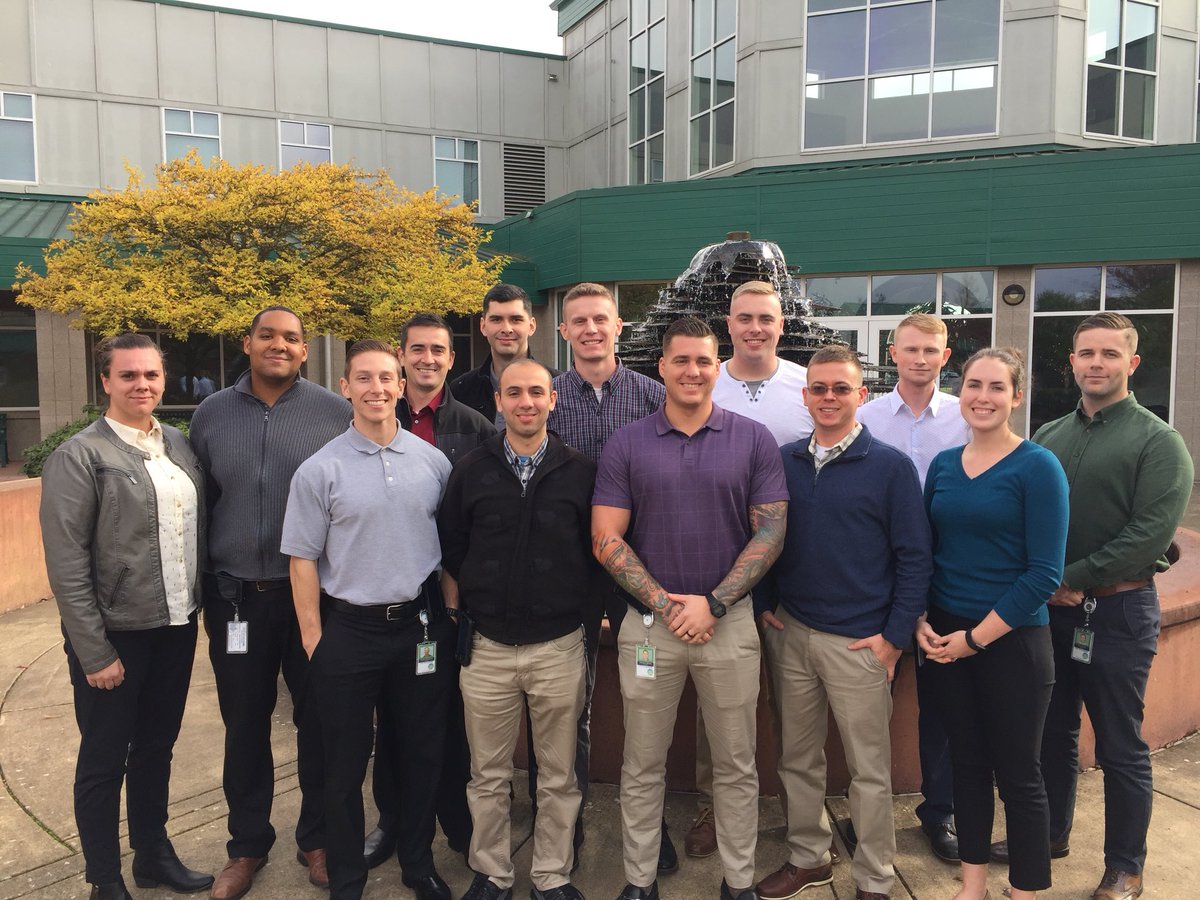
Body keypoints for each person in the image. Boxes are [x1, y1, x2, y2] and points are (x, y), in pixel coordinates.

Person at [592, 316, 789, 900]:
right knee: (642, 763)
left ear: (717, 364)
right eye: (681, 360)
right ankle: (639, 879)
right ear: (662, 367)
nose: (693, 371)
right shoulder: (627, 442)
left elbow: (771, 532)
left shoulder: (753, 439)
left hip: (728, 627)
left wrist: (717, 603)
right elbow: (606, 538)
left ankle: (739, 880)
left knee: (736, 763)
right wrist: (668, 604)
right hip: (650, 628)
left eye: (704, 360)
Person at [1022, 313, 1192, 900]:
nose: (1096, 363)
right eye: (1085, 353)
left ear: (1132, 363)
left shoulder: (1158, 442)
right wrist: (1049, 587)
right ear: (1070, 361)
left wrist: (1065, 579)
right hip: (1054, 614)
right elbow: (1025, 518)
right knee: (1052, 732)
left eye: (1109, 354)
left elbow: (1147, 537)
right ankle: (1046, 837)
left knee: (1120, 746)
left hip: (1117, 616)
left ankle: (1126, 866)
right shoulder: (1047, 437)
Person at [754, 345, 931, 900]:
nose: (829, 398)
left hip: (861, 641)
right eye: (819, 389)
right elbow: (761, 538)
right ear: (805, 396)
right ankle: (809, 857)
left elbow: (915, 557)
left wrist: (894, 639)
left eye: (840, 388)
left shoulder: (890, 467)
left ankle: (876, 879)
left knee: (869, 771)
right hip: (792, 632)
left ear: (862, 395)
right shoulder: (781, 460)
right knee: (796, 758)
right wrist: (763, 605)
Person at [40, 333, 212, 900]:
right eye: (129, 375)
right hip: (114, 636)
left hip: (175, 625)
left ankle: (152, 854)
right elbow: (66, 563)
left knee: (158, 748)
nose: (142, 385)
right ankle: (104, 878)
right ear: (106, 382)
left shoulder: (179, 445)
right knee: (103, 759)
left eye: (151, 375)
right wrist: (93, 650)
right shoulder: (80, 455)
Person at [282, 340, 456, 900]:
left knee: (420, 752)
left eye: (387, 378)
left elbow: (448, 550)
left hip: (420, 629)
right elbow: (302, 559)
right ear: (346, 388)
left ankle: (417, 861)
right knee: (343, 761)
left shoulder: (434, 463)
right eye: (364, 378)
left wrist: (449, 615)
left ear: (402, 386)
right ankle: (347, 877)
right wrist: (314, 638)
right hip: (349, 632)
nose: (377, 388)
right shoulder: (319, 470)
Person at [189, 306, 350, 898]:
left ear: (305, 350)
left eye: (291, 338)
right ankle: (247, 844)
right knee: (244, 724)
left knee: (320, 723)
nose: (278, 345)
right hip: (235, 599)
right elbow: (199, 503)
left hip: (314, 599)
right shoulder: (211, 414)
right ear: (248, 343)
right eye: (267, 336)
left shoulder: (334, 414)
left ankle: (319, 838)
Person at [439, 357, 597, 900]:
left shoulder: (580, 470)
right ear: (499, 402)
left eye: (536, 392)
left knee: (559, 775)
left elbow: (594, 552)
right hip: (486, 648)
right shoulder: (472, 469)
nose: (526, 402)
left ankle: (552, 875)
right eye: (514, 393)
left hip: (558, 646)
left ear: (553, 400)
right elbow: (452, 546)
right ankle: (492, 873)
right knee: (487, 774)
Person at [918, 347, 1069, 900]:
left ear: (1016, 396)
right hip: (944, 635)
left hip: (1011, 640)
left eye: (996, 388)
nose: (983, 397)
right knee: (967, 765)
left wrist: (974, 641)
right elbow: (923, 552)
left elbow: (1045, 573)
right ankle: (973, 885)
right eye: (974, 386)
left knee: (1019, 773)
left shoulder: (1037, 466)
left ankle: (1027, 888)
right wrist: (920, 621)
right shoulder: (942, 466)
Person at [543, 282, 673, 872]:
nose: (591, 329)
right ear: (564, 331)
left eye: (601, 319)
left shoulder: (653, 394)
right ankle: (564, 826)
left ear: (619, 327)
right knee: (570, 705)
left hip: (638, 573)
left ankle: (653, 827)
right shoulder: (545, 397)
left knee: (649, 703)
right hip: (566, 573)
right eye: (579, 321)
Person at [362, 313, 495, 869]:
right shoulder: (370, 419)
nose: (428, 359)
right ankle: (392, 820)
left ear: (450, 358)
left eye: (438, 350)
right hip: (385, 600)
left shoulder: (475, 426)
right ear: (401, 356)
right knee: (390, 721)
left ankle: (455, 819)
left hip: (447, 599)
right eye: (417, 349)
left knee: (446, 720)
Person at [687, 280, 813, 864]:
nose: (755, 327)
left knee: (793, 701)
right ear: (728, 324)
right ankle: (715, 805)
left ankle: (799, 816)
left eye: (766, 317)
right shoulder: (707, 379)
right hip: (716, 570)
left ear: (781, 324)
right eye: (744, 318)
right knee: (718, 698)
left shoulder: (804, 386)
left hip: (797, 567)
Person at [857, 313, 971, 863]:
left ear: (944, 357)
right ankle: (867, 816)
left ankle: (940, 811)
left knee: (943, 708)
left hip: (950, 578)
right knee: (867, 704)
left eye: (930, 350)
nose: (920, 359)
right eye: (910, 350)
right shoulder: (867, 417)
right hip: (879, 582)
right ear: (893, 354)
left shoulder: (966, 417)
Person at [452, 283, 554, 428]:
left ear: (531, 326)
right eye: (496, 320)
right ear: (483, 326)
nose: (506, 329)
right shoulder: (461, 391)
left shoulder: (557, 385)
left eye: (516, 319)